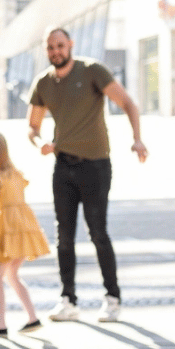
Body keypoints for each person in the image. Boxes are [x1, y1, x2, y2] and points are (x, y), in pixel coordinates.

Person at [26, 27, 148, 323]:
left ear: (70, 45)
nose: (56, 51)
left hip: (95, 165)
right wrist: (38, 141)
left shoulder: (92, 71)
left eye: (60, 45)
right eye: (50, 47)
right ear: (46, 51)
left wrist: (137, 138)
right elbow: (32, 126)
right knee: (63, 236)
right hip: (63, 166)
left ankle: (112, 298)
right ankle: (68, 300)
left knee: (98, 233)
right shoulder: (43, 82)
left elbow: (128, 103)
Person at [0, 132, 48, 338]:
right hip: (24, 226)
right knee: (11, 274)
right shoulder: (16, 173)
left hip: (8, 229)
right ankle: (32, 317)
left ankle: (1, 324)